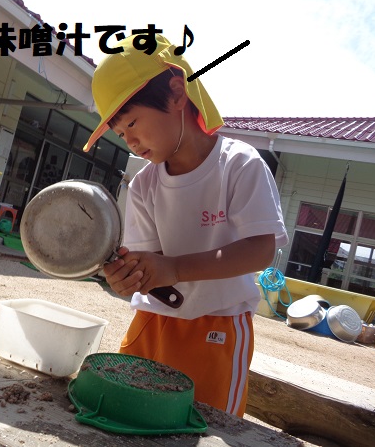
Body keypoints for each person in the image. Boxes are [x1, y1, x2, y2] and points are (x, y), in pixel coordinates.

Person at [83, 34, 288, 417]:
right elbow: (150, 264)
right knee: (125, 415)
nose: (131, 142)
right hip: (151, 322)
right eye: (121, 134)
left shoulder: (238, 165)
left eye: (132, 123)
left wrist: (175, 268)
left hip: (218, 326)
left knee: (207, 425)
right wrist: (129, 276)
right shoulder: (144, 185)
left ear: (178, 93)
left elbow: (261, 249)